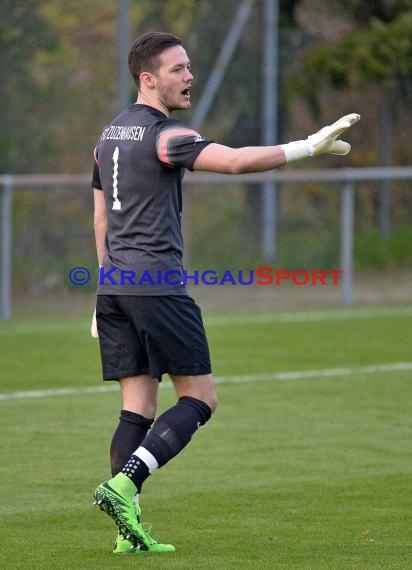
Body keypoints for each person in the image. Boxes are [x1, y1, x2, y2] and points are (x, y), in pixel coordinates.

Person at [91, 31, 360, 554]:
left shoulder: (106, 136)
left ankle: (129, 535)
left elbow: (101, 215)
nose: (188, 76)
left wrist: (102, 290)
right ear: (148, 80)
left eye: (189, 66)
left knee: (137, 409)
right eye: (177, 69)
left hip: (115, 286)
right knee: (200, 399)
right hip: (158, 286)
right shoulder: (163, 136)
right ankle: (124, 485)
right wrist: (306, 146)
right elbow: (234, 161)